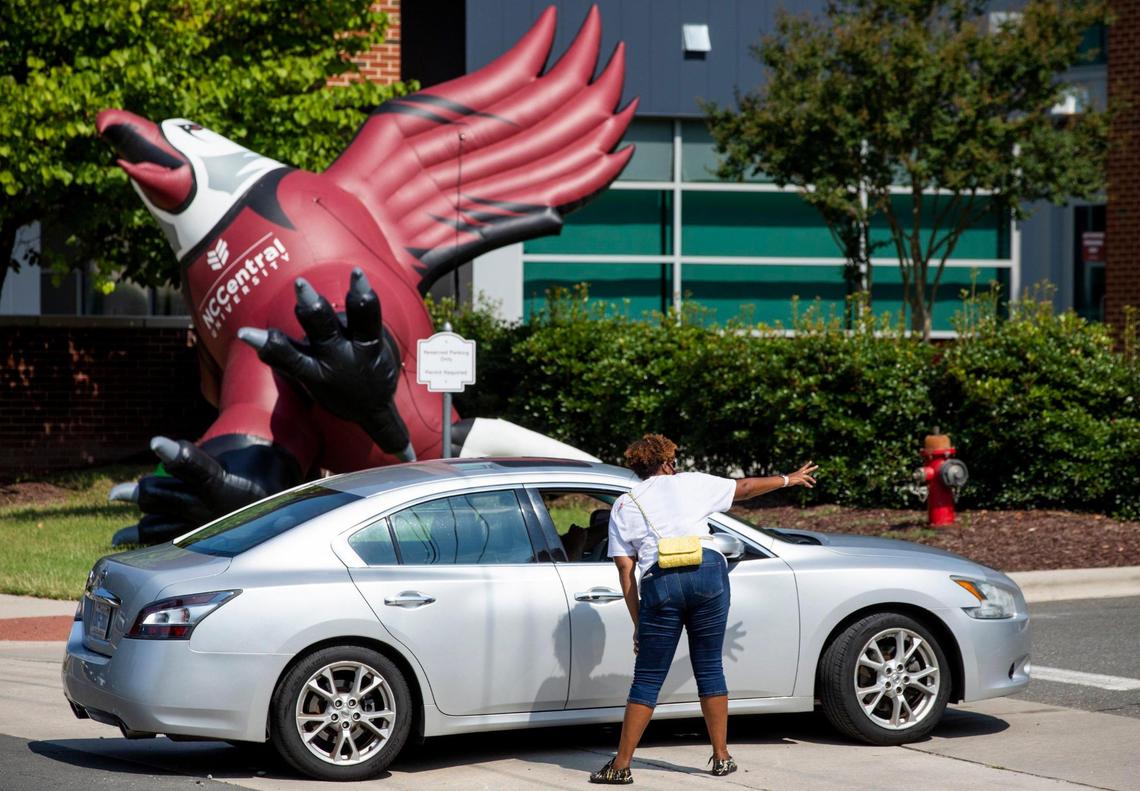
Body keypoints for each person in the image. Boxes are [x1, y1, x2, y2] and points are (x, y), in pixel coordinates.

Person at [589, 434, 817, 784]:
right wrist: (788, 478)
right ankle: (721, 757)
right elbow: (745, 488)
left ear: (638, 468)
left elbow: (625, 569)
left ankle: (620, 766)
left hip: (660, 581)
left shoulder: (624, 504)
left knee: (648, 676)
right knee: (709, 665)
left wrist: (640, 623)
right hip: (709, 572)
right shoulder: (691, 484)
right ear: (667, 462)